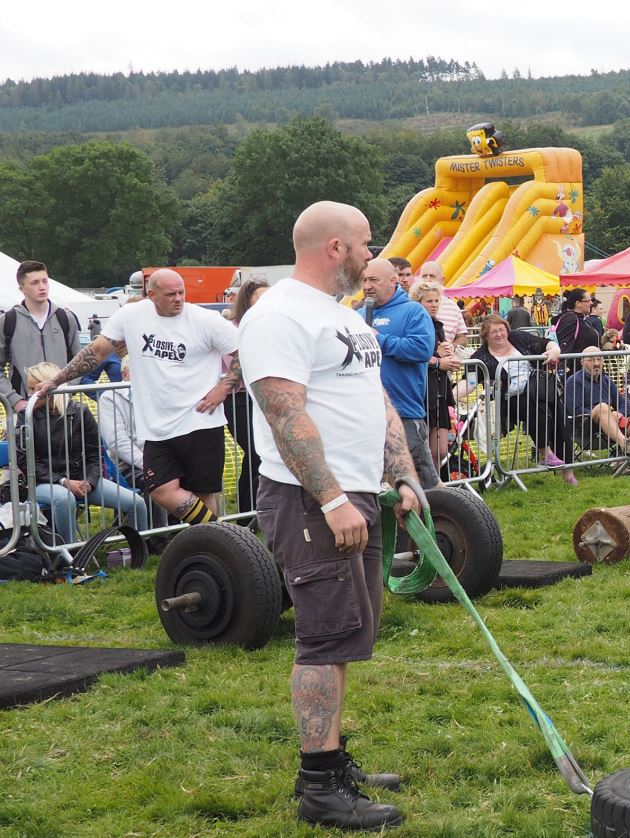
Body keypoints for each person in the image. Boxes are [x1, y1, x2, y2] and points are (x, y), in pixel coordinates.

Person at [239, 201, 417, 831]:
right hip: (312, 500)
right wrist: (334, 498)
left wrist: (401, 474)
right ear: (336, 247)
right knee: (321, 638)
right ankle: (319, 788)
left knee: (343, 635)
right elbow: (287, 416)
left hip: (358, 494)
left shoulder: (343, 318)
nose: (374, 256)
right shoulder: (278, 315)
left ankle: (331, 759)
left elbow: (378, 401)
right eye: (367, 244)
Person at [39, 269, 238, 527]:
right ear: (151, 295)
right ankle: (224, 534)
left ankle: (214, 549)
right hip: (157, 427)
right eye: (170, 294)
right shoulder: (131, 316)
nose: (178, 299)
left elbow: (243, 352)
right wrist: (57, 380)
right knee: (160, 491)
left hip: (200, 422)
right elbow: (96, 351)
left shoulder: (205, 320)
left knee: (202, 493)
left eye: (181, 292)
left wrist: (224, 387)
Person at [21, 361, 150, 542]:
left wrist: (89, 481)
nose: (30, 394)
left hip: (81, 478)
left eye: (35, 388)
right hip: (41, 483)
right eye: (29, 389)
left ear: (51, 388)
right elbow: (27, 463)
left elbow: (95, 453)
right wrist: (64, 481)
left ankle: (141, 551)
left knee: (136, 503)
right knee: (64, 499)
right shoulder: (24, 417)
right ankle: (70, 557)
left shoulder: (80, 412)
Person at [470, 313, 576, 485]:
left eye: (502, 330)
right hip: (508, 399)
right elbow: (469, 381)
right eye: (493, 332)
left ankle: (568, 472)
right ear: (485, 336)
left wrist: (555, 350)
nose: (499, 334)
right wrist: (454, 396)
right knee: (533, 408)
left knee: (559, 416)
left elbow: (545, 343)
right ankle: (544, 453)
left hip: (538, 389)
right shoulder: (480, 356)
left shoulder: (518, 338)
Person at [362, 259, 441, 489]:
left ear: (392, 281)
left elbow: (422, 349)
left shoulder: (413, 311)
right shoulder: (357, 315)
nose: (367, 285)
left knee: (422, 485)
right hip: (366, 415)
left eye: (373, 280)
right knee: (381, 485)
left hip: (404, 413)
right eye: (365, 279)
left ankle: (456, 518)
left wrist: (378, 340)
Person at [1, 260, 82, 413]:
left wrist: (68, 391)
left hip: (62, 406)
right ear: (22, 288)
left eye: (45, 281)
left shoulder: (65, 318)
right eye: (35, 282)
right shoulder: (8, 321)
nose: (42, 286)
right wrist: (15, 400)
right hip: (25, 407)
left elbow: (78, 360)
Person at [224, 278, 270, 512]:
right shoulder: (233, 329)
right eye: (260, 298)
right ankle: (246, 513)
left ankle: (254, 509)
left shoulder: (271, 327)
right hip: (238, 399)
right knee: (253, 452)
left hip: (261, 398)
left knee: (260, 453)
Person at [410, 280, 464, 470]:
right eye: (429, 301)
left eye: (436, 301)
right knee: (422, 448)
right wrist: (438, 359)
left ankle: (435, 489)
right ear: (418, 302)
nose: (434, 305)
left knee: (440, 450)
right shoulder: (415, 324)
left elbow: (443, 350)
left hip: (440, 388)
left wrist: (450, 348)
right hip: (423, 388)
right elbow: (415, 353)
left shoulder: (437, 325)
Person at [565, 346, 630, 455]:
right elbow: (574, 411)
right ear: (581, 361)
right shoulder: (574, 381)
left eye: (599, 359)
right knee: (603, 407)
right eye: (591, 360)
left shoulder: (605, 380)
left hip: (611, 427)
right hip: (586, 429)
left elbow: (623, 403)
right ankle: (624, 443)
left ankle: (623, 460)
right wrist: (603, 413)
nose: (596, 363)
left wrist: (618, 414)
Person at [415, 261, 467, 347]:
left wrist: (450, 346)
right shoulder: (411, 305)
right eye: (424, 276)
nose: (428, 279)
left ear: (442, 280)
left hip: (447, 357)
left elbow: (462, 337)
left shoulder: (453, 307)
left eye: (432, 276)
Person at [552, 288, 602, 354]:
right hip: (577, 363)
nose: (591, 303)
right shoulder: (571, 319)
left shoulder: (582, 318)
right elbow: (565, 347)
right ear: (578, 303)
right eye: (588, 300)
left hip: (587, 362)